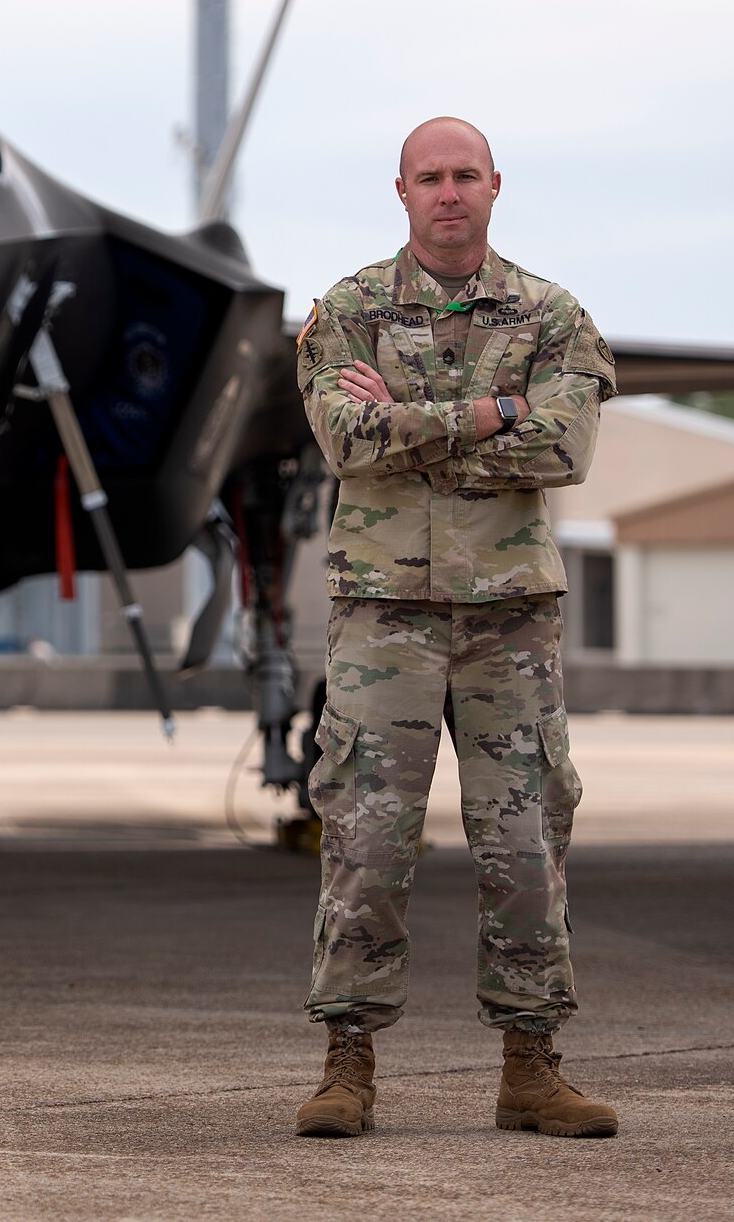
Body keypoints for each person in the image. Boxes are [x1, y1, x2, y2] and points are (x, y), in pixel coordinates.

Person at [291, 116, 619, 1139]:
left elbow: (564, 449)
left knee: (523, 841)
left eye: (463, 175)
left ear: (492, 187)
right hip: (382, 615)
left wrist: (413, 423)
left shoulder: (552, 315)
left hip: (507, 622)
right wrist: (490, 412)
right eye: (428, 177)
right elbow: (345, 438)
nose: (447, 192)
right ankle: (346, 1065)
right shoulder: (344, 310)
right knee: (364, 838)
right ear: (400, 191)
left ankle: (530, 1066)